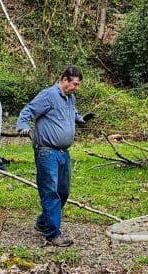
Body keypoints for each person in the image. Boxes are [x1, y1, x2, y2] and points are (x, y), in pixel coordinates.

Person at [16, 66, 96, 247]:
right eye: (74, 84)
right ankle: (52, 234)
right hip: (47, 152)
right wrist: (22, 126)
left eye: (78, 85)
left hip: (63, 153)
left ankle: (43, 222)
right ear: (64, 80)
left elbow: (72, 113)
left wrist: (81, 119)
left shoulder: (70, 97)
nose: (76, 88)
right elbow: (28, 110)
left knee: (63, 191)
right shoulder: (48, 95)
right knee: (50, 192)